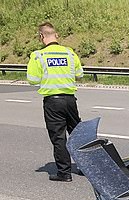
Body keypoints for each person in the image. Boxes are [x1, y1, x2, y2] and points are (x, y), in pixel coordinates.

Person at [27, 22, 83, 182]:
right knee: (77, 135)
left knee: (59, 137)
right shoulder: (69, 53)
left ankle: (64, 173)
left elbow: (32, 79)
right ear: (56, 35)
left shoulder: (38, 55)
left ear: (41, 36)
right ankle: (87, 168)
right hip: (70, 100)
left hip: (53, 102)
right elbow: (79, 74)